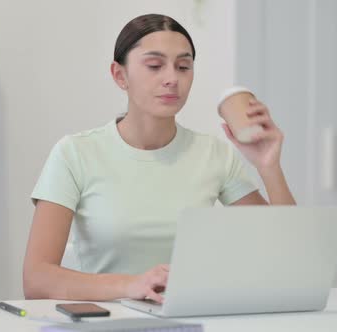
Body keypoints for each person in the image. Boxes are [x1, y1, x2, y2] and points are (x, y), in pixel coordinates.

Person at [23, 13, 295, 303]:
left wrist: (269, 166)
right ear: (119, 75)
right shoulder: (75, 153)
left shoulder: (214, 154)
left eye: (183, 67)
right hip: (105, 320)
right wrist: (131, 286)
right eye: (154, 66)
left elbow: (288, 257)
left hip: (187, 317)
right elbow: (36, 279)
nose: (171, 79)